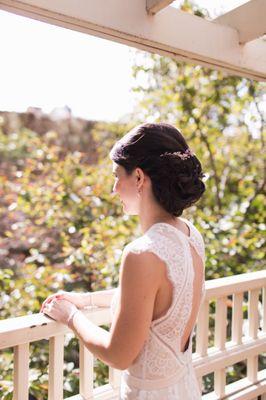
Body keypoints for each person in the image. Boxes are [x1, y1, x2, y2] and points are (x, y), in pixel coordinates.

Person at [41, 122, 206, 399]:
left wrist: (70, 315)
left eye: (118, 176)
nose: (115, 189)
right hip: (184, 388)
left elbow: (118, 355)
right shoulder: (190, 234)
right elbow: (150, 299)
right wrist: (87, 300)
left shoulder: (142, 253)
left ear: (139, 178)